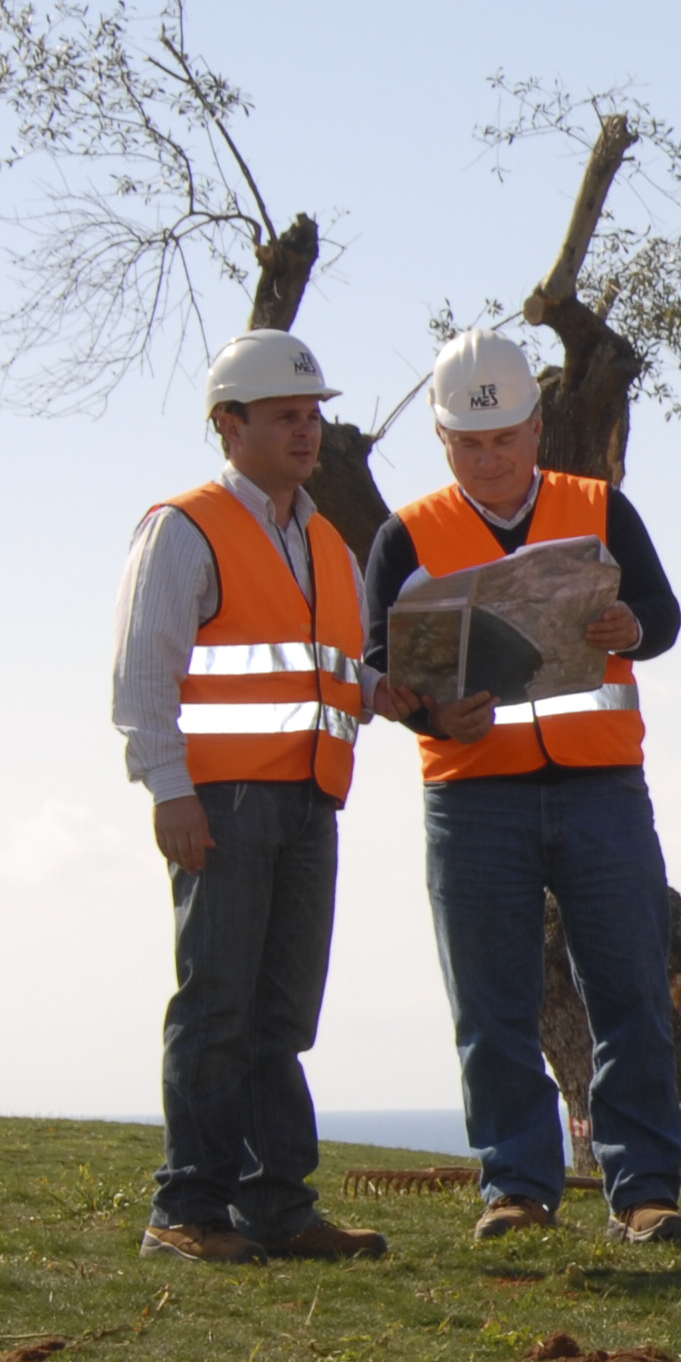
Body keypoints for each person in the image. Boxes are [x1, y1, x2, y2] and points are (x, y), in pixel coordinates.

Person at [365, 327, 681, 1245]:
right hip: (472, 797)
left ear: (537, 427)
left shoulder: (600, 508)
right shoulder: (407, 535)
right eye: (469, 443)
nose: (489, 457)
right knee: (491, 1004)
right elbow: (381, 664)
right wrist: (431, 716)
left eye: (504, 437)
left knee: (628, 989)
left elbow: (664, 617)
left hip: (601, 790)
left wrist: (631, 625)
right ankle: (516, 1189)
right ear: (441, 441)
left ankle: (645, 1192)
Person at [109, 331, 427, 1264]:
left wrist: (380, 693)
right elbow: (141, 681)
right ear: (228, 426)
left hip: (307, 801)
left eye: (313, 414)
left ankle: (274, 1208)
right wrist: (171, 793)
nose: (308, 431)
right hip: (224, 799)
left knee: (280, 1015)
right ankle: (186, 1210)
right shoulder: (184, 526)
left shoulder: (323, 536)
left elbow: (325, 668)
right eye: (287, 415)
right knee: (217, 1007)